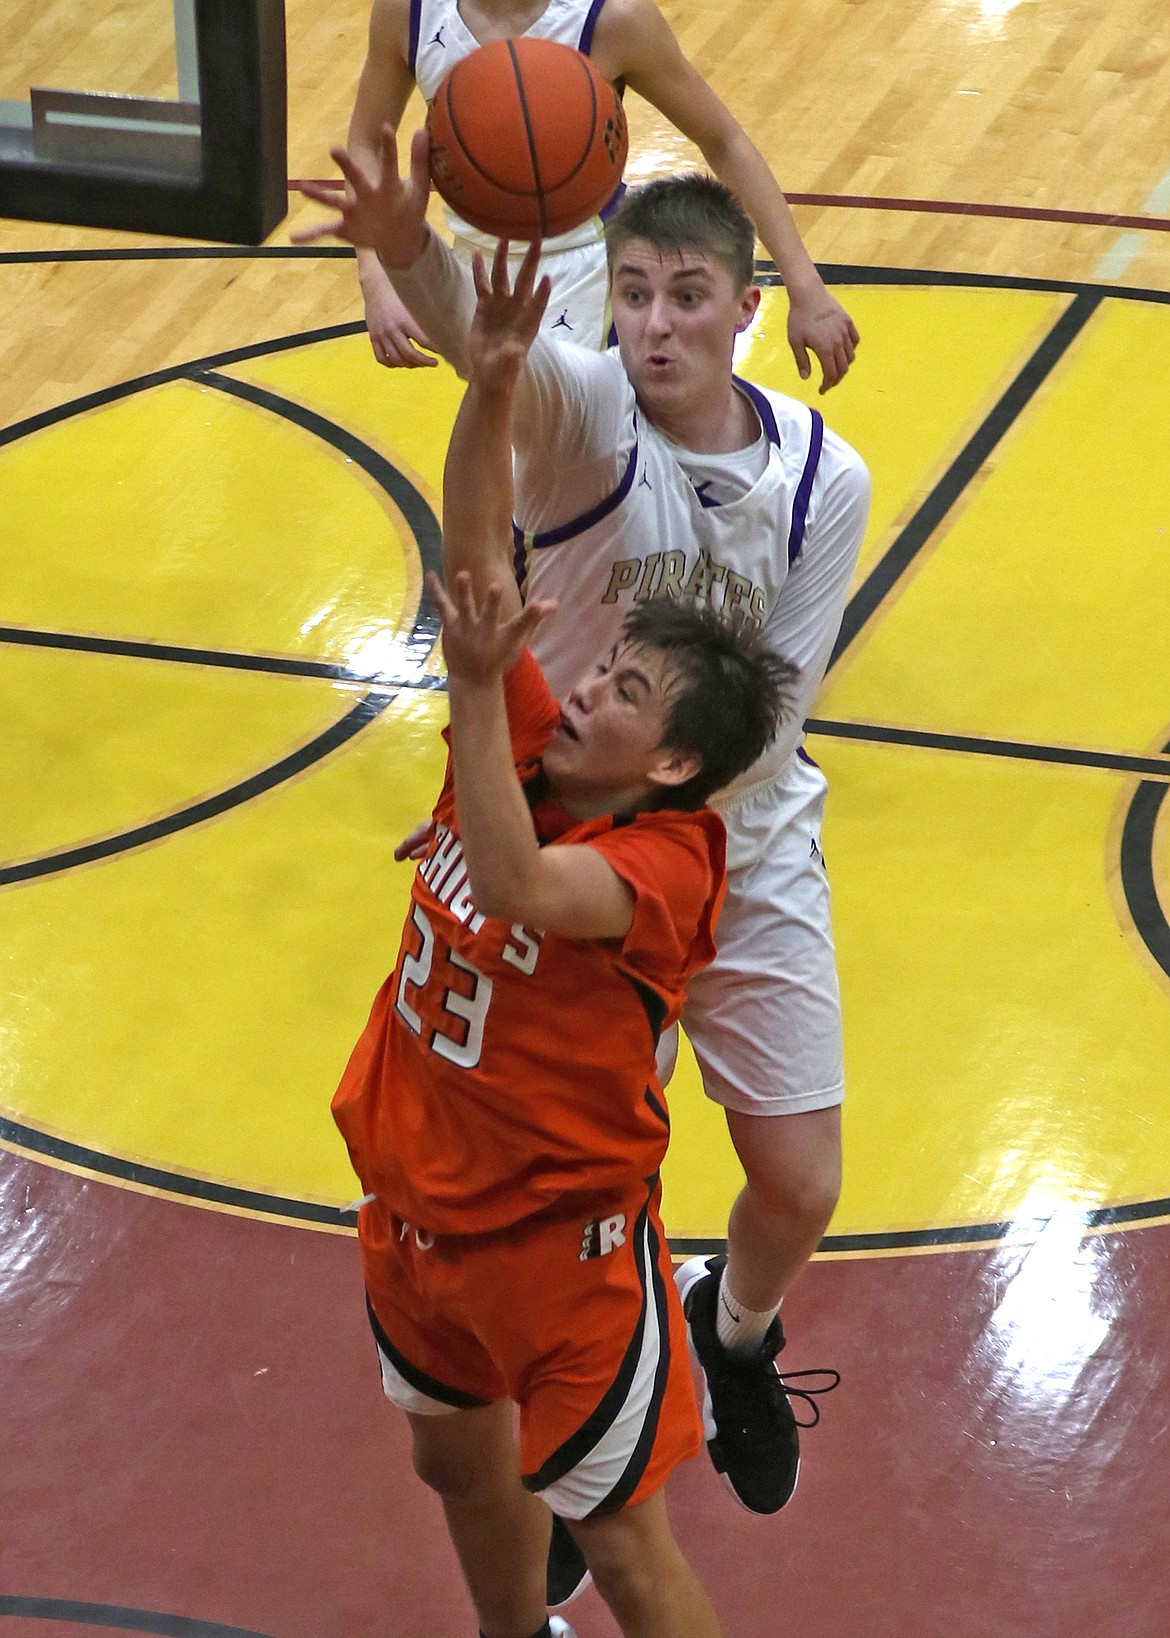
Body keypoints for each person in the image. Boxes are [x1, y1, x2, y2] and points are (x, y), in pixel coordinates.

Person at [297, 137, 869, 1518]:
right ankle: (562, 1486)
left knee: (796, 1185)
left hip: (721, 830)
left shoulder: (824, 478)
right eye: (629, 294)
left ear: (745, 307)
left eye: (685, 295)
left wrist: (643, 868)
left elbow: (772, 714)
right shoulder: (585, 408)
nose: (654, 323)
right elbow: (480, 339)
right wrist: (401, 237)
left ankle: (730, 1332)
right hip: (571, 830)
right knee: (556, 1189)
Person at [332, 242, 794, 1638]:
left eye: (628, 686)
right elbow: (476, 554)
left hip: (556, 1250)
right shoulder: (531, 739)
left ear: (672, 763)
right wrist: (484, 390)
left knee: (625, 1542)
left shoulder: (664, 865)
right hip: (415, 1209)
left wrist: (475, 690)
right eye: (601, 666)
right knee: (454, 1464)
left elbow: (524, 887)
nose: (589, 681)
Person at [347, 0, 858, 391]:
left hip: (593, 275)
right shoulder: (408, 13)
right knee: (516, 493)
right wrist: (376, 279)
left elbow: (723, 140)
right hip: (475, 277)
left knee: (575, 488)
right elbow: (367, 143)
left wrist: (806, 288)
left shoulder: (613, 18)